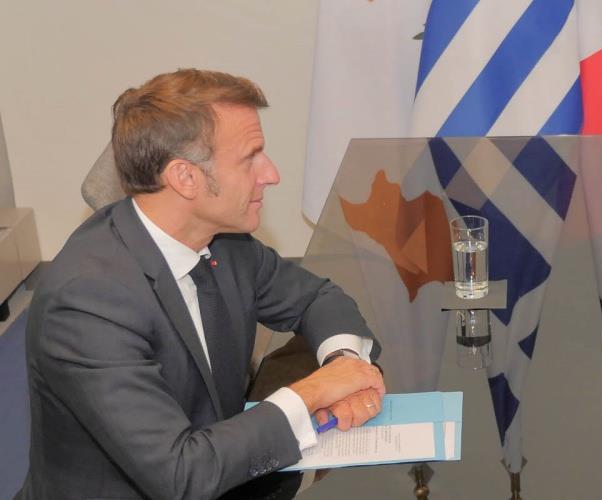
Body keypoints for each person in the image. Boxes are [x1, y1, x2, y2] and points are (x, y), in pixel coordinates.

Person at [21, 69, 387, 499]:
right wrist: (312, 392)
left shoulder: (224, 242)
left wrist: (343, 365)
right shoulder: (88, 302)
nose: (271, 174)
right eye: (250, 157)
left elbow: (316, 298)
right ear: (185, 178)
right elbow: (182, 476)